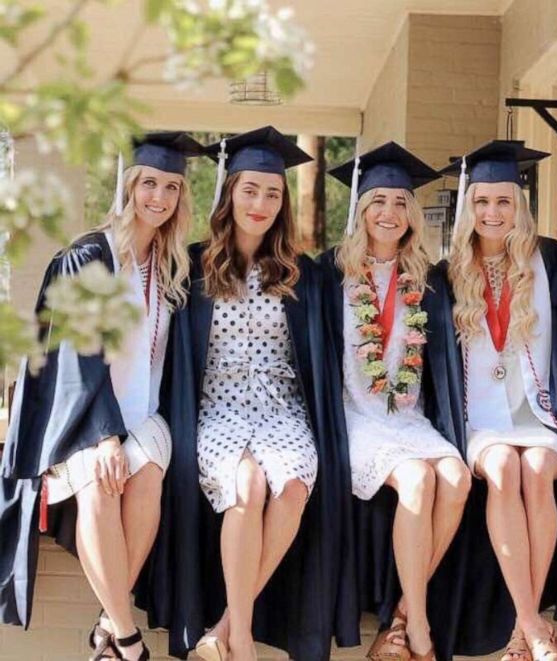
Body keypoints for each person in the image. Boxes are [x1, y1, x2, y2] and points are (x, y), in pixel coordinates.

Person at [139, 126, 358, 661]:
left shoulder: (302, 274)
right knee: (246, 485)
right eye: (250, 190)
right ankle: (239, 640)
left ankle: (226, 629)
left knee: (291, 487)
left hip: (283, 412)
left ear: (283, 203)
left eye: (273, 193)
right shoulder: (191, 266)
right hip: (217, 410)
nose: (260, 203)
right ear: (228, 192)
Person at [0, 133, 203, 661]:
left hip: (147, 415)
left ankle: (107, 626)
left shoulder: (172, 267)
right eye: (150, 184)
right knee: (97, 480)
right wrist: (104, 434)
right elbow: (73, 358)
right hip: (83, 417)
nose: (159, 197)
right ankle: (125, 638)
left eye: (172, 187)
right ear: (129, 186)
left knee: (148, 475)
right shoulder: (91, 257)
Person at [423, 140, 557, 661]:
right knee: (505, 473)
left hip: (540, 415)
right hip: (481, 421)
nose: (492, 213)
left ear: (520, 207)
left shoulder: (552, 262)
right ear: (469, 207)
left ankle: (523, 628)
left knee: (535, 470)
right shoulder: (446, 277)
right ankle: (533, 626)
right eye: (482, 202)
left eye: (504, 202)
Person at [320, 142, 470, 661]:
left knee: (457, 478)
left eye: (401, 202)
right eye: (378, 201)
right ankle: (419, 630)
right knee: (418, 478)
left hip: (409, 418)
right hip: (355, 418)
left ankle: (402, 615)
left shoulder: (426, 282)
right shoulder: (330, 276)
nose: (390, 213)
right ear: (361, 210)